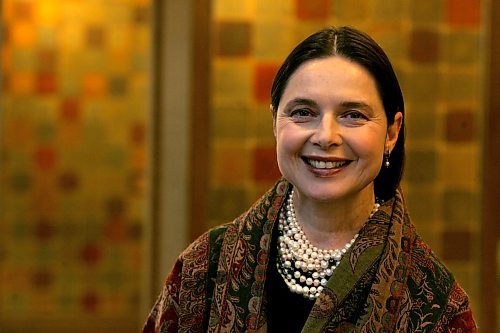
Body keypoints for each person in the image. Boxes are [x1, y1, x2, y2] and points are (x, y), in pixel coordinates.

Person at [141, 26, 477, 332]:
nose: (325, 136)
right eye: (303, 112)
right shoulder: (203, 270)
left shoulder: (435, 302)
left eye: (353, 115)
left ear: (392, 132)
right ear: (275, 122)